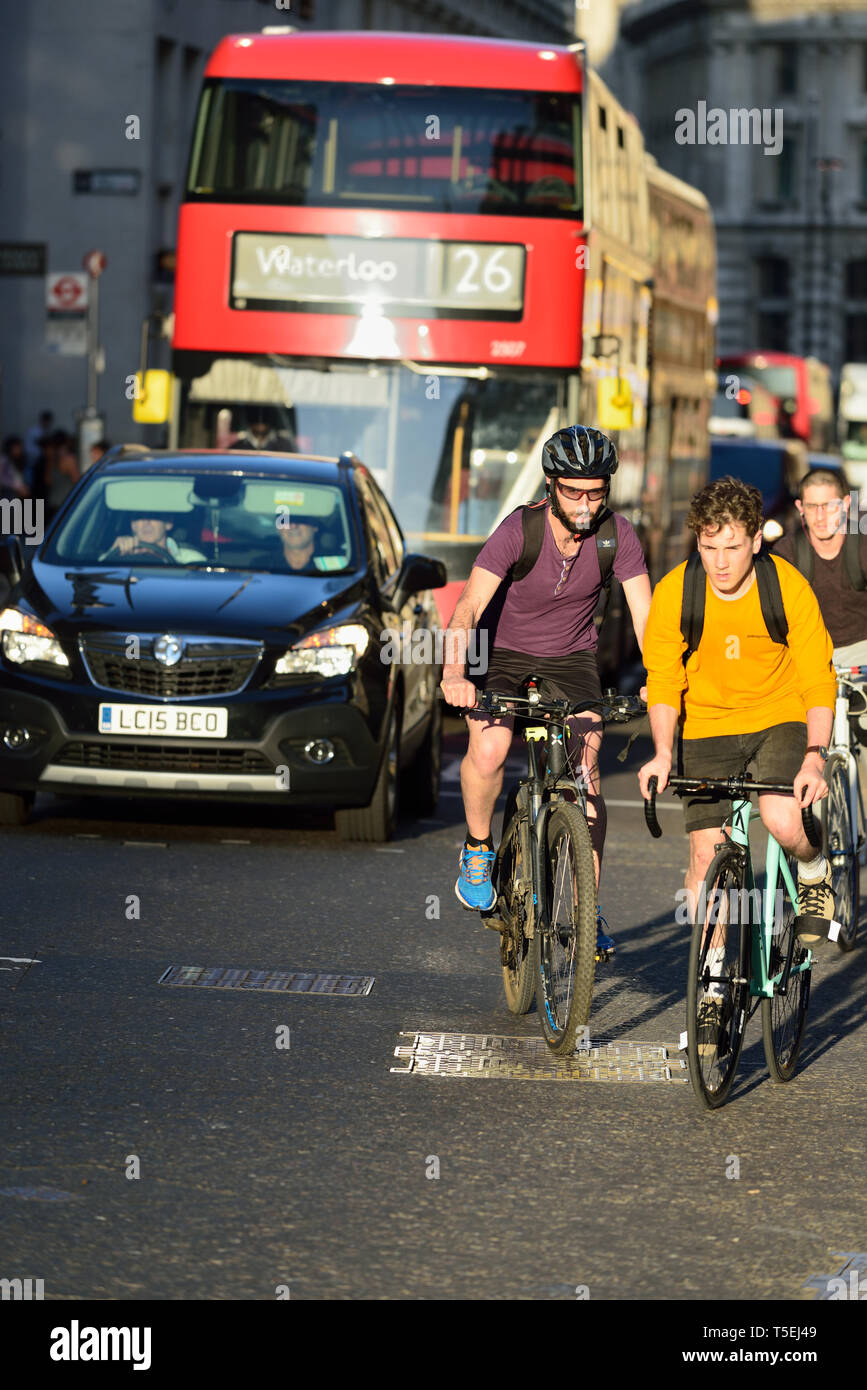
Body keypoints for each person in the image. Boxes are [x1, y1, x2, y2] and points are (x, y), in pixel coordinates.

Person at [638, 476, 836, 1051]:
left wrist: (815, 757)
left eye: (731, 546)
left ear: (755, 540)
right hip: (706, 727)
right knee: (704, 855)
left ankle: (813, 865)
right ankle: (716, 980)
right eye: (708, 546)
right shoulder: (679, 591)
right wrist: (663, 752)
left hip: (777, 717)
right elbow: (663, 680)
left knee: (780, 818)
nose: (720, 562)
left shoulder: (786, 587)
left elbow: (816, 676)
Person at [440, 424, 652, 955]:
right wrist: (453, 673)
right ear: (552, 486)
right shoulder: (520, 529)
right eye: (574, 491)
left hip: (572, 656)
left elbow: (647, 619)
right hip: (503, 651)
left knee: (588, 773)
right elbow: (467, 605)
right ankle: (479, 847)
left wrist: (661, 681)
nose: (585, 504)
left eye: (596, 492)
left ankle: (587, 906)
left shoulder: (617, 536)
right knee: (489, 747)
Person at [101, 514, 206, 563]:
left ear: (168, 523)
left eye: (154, 516)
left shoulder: (191, 560)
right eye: (140, 517)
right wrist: (113, 553)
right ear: (133, 525)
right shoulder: (119, 555)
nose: (146, 522)